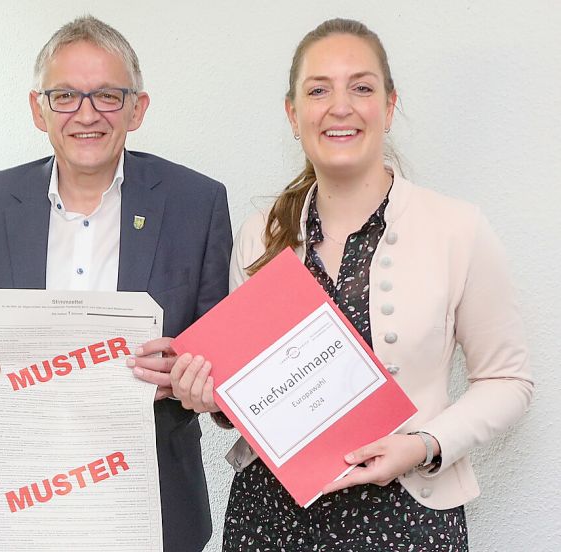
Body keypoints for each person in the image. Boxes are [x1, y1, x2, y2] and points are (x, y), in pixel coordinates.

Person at [171, 18, 533, 551]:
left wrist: (423, 444)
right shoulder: (259, 234)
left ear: (388, 106)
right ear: (294, 115)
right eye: (318, 90)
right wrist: (208, 394)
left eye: (361, 87)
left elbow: (509, 381)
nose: (340, 106)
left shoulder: (458, 229)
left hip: (409, 518)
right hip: (269, 521)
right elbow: (252, 393)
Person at [0, 15, 231, 551]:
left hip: (153, 502)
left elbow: (223, 356)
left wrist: (189, 371)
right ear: (38, 109)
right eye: (65, 96)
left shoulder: (196, 204)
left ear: (138, 109)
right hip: (17, 499)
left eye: (108, 96)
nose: (87, 115)